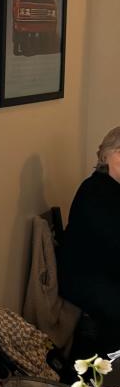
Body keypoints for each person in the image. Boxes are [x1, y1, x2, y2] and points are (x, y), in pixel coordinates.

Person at [57, 126, 120, 357]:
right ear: (105, 155)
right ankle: (111, 374)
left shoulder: (114, 188)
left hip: (106, 270)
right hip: (85, 277)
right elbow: (110, 245)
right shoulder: (95, 190)